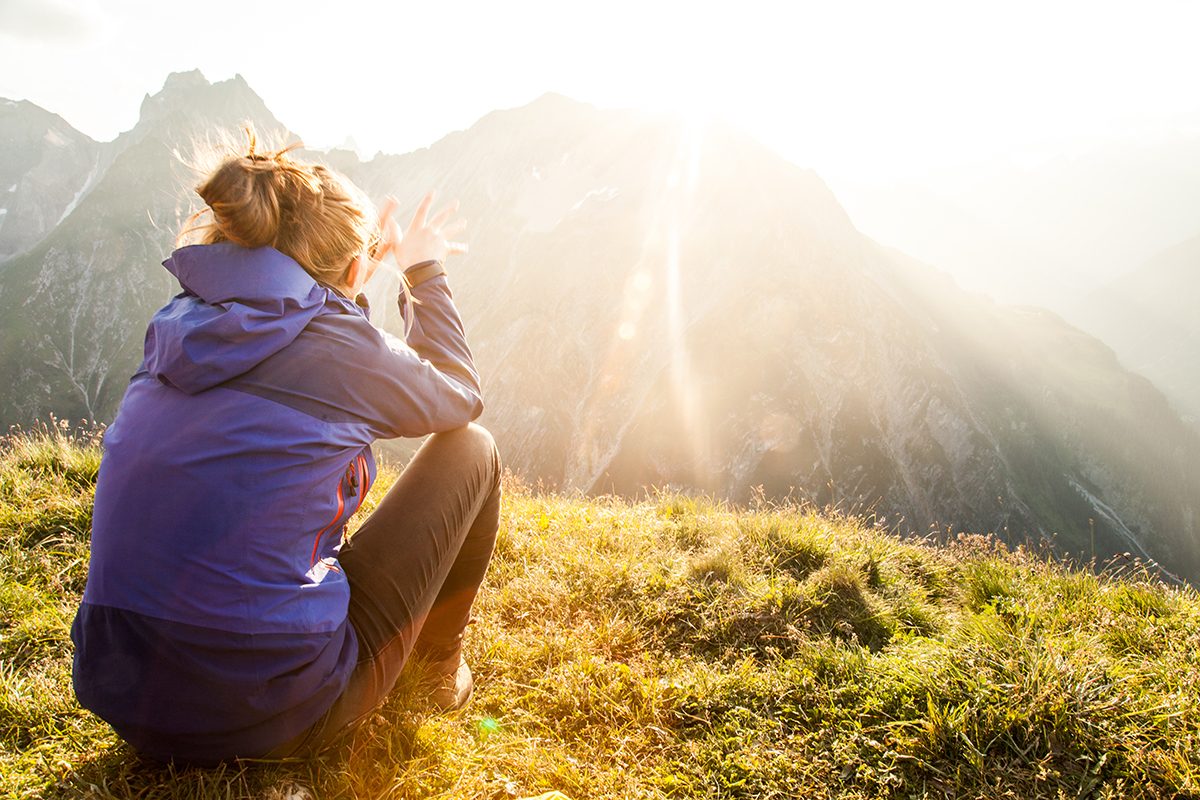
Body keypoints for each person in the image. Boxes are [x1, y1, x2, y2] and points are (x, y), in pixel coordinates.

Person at [69, 131, 501, 765]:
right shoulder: (342, 352)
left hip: (124, 694)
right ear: (357, 270)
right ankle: (437, 672)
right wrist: (421, 271)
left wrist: (350, 281)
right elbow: (459, 396)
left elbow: (297, 337)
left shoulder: (178, 326)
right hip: (271, 713)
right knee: (473, 449)